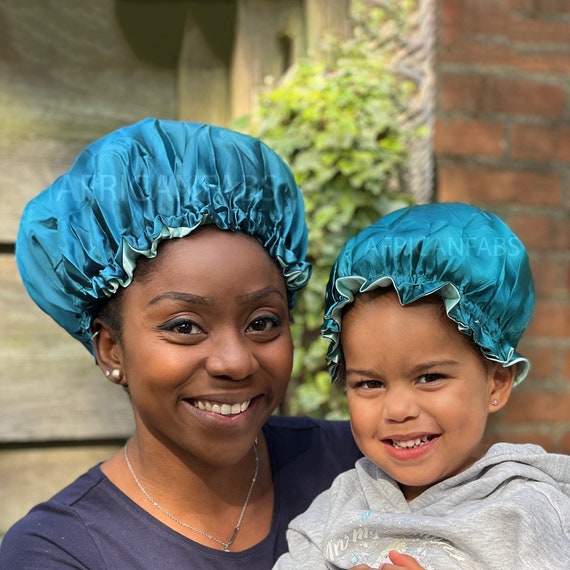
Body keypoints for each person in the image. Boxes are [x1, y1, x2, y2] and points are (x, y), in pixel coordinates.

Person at [0, 118, 362, 569]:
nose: (235, 361)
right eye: (185, 326)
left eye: (263, 321)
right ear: (111, 349)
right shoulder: (59, 551)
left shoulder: (363, 461)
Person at [274, 203, 570, 569]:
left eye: (429, 377)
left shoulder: (527, 513)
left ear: (496, 382)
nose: (398, 409)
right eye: (369, 383)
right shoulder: (337, 507)